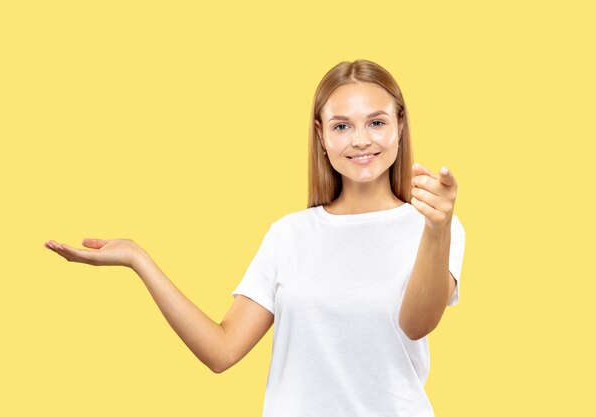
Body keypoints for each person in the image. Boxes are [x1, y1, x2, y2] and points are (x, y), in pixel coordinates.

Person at [45, 59, 466, 417]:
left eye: (376, 122)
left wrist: (436, 228)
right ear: (321, 135)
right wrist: (139, 259)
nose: (360, 140)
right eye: (342, 126)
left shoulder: (434, 227)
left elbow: (415, 325)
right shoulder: (289, 235)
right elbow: (221, 351)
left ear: (399, 126)